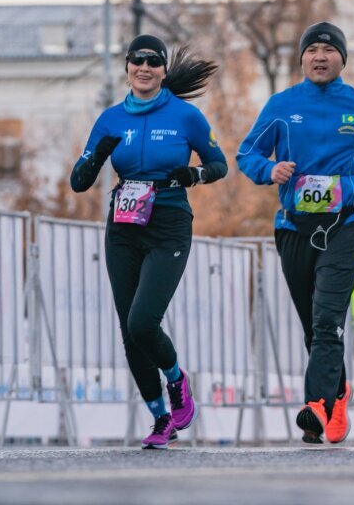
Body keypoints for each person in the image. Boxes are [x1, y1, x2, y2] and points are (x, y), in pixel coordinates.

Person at [237, 22, 354, 445]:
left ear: (342, 59)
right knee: (315, 326)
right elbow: (247, 153)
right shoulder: (281, 104)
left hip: (345, 224)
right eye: (313, 50)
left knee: (328, 319)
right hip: (294, 226)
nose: (320, 57)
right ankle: (339, 393)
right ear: (303, 58)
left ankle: (315, 406)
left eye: (329, 50)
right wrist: (269, 170)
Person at [70, 35, 227, 449]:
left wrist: (193, 176)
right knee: (129, 331)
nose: (144, 67)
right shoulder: (110, 119)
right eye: (137, 60)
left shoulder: (185, 115)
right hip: (123, 226)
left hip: (169, 223)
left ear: (162, 71)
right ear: (127, 66)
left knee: (143, 321)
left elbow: (219, 165)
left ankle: (176, 380)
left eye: (153, 61)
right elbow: (78, 181)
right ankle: (161, 419)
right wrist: (97, 154)